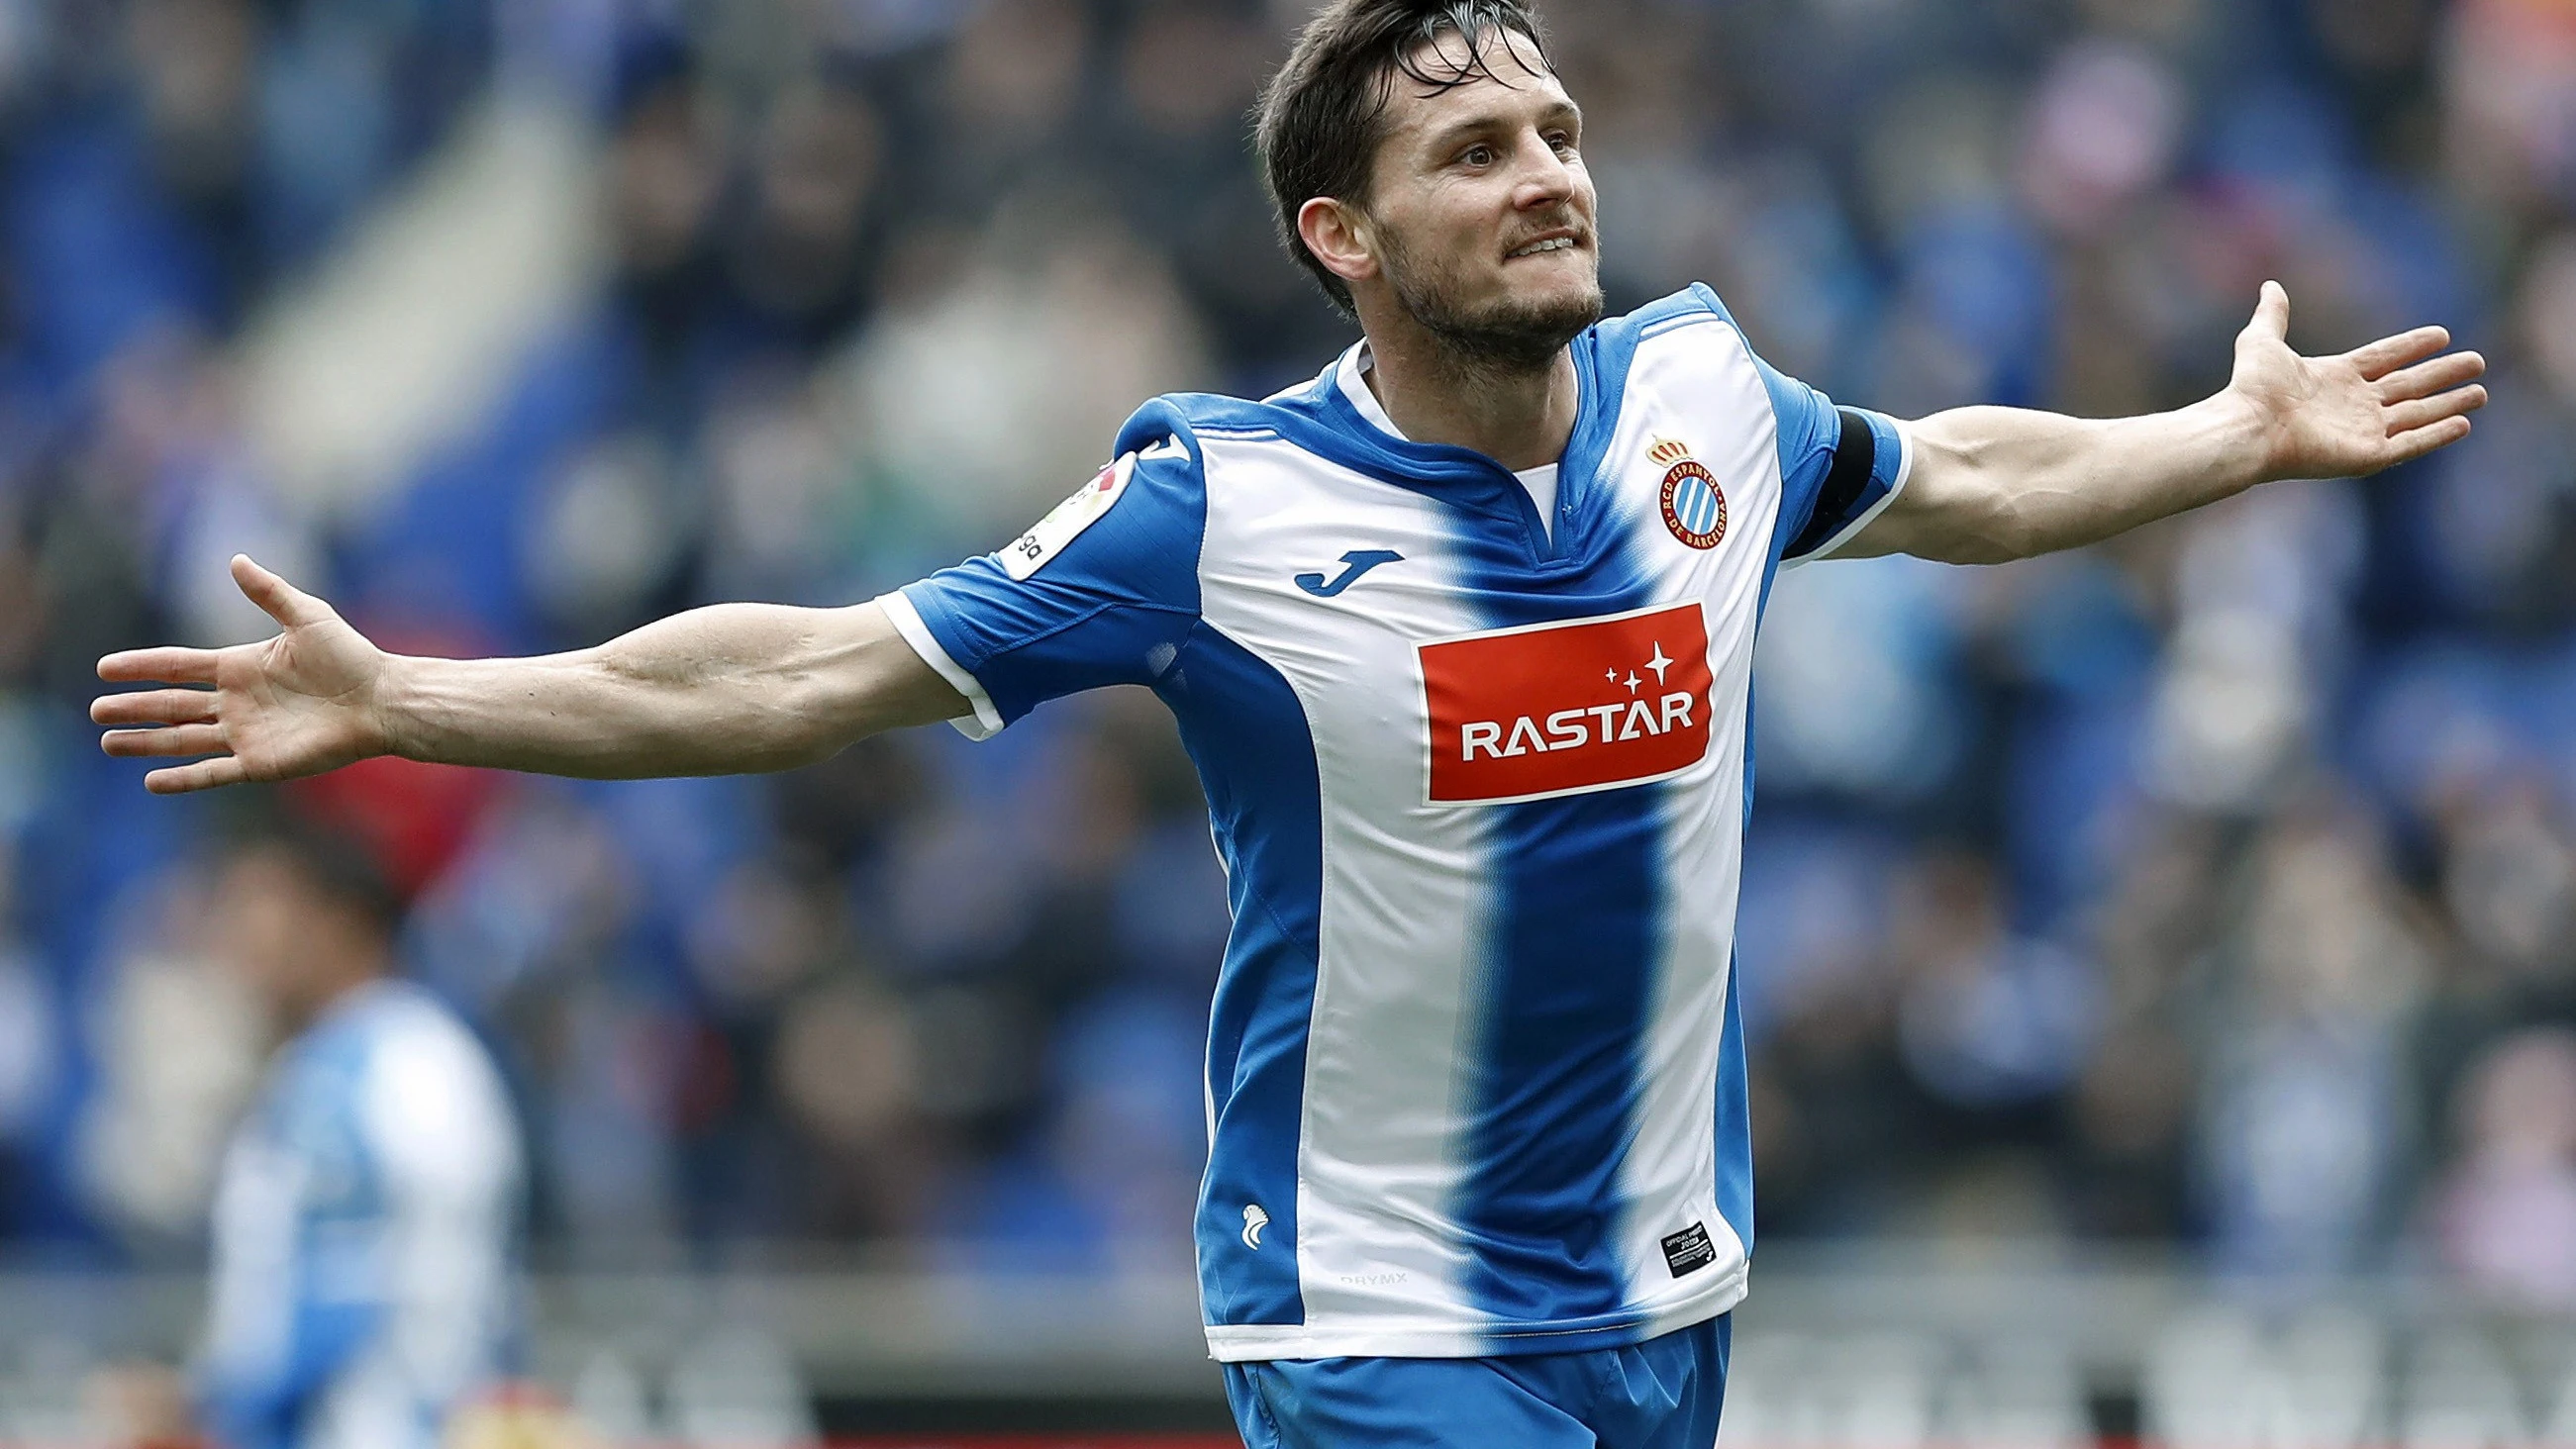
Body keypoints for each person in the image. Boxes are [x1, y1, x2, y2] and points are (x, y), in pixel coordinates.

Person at [91, 2, 2485, 1444]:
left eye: (1551, 130)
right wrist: (410, 692)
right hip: (1376, 1324)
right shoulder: (1210, 506)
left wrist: (2224, 436)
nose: (1545, 175)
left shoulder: (1701, 401)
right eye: (1471, 152)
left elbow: (1948, 474)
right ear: (1342, 234)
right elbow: (806, 665)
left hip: (1663, 1297)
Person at [191, 819, 525, 1449]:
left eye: (257, 905)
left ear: (339, 919)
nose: (234, 936)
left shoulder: (412, 1064)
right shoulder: (313, 1066)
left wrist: (230, 1395)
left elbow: (435, 1287)